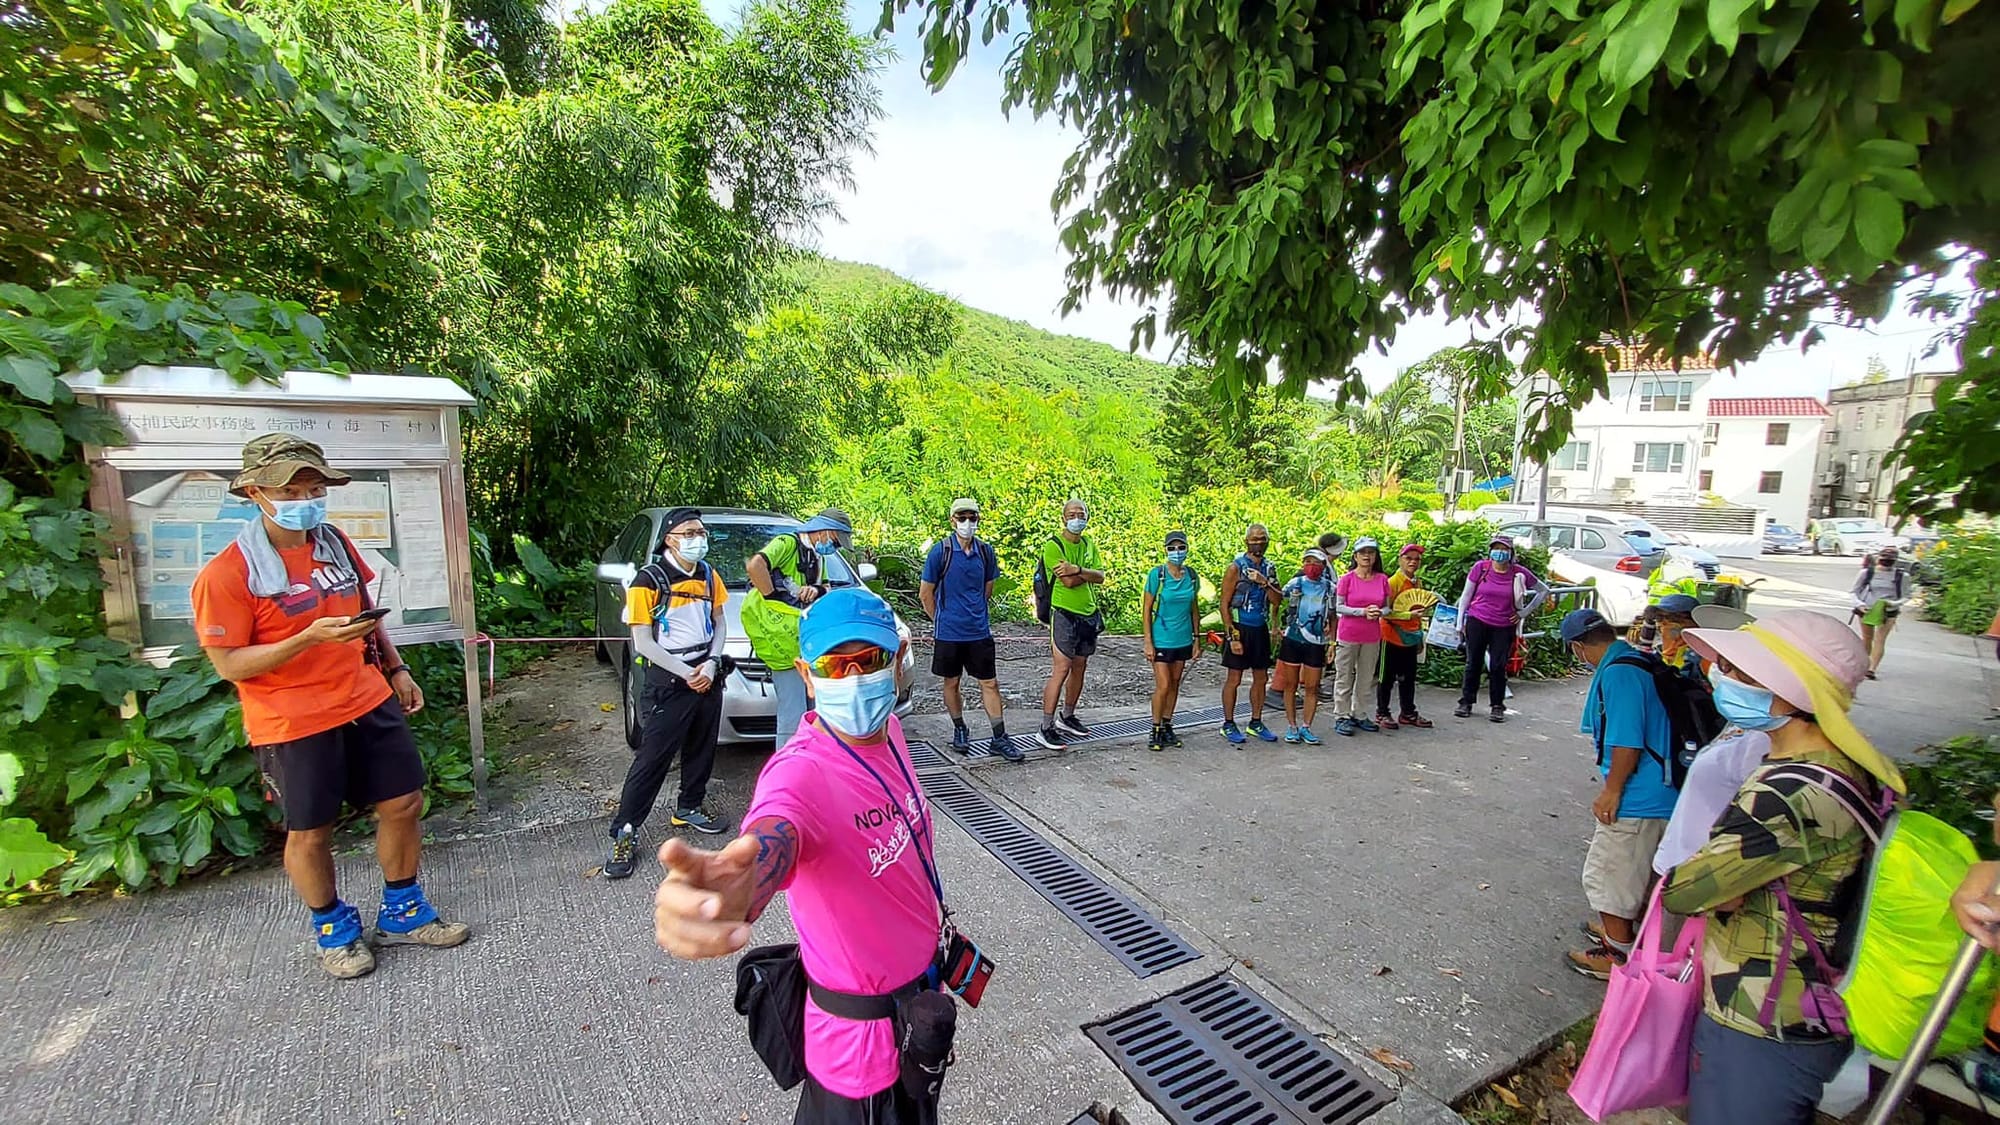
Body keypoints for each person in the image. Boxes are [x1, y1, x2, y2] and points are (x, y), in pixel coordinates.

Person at [651, 587, 962, 1124]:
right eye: (834, 665)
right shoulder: (802, 773)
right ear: (806, 673)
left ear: (896, 660)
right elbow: (773, 835)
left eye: (871, 661)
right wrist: (734, 889)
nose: (855, 678)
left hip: (917, 1016)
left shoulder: (887, 731)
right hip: (859, 1058)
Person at [190, 434, 467, 979]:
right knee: (311, 830)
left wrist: (396, 667)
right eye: (293, 488)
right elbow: (230, 665)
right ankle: (333, 929)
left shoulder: (334, 542)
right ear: (255, 492)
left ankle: (404, 910)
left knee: (404, 803)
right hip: (292, 719)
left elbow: (366, 611)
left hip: (366, 697)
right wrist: (306, 639)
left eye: (315, 487)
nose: (308, 498)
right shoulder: (226, 574)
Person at [1662, 610, 1905, 1125]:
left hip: (1762, 1016)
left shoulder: (1787, 794)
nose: (1721, 678)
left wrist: (1713, 881)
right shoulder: (1843, 767)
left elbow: (1685, 890)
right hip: (1800, 1004)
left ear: (1793, 694)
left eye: (1744, 674)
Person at [606, 508, 732, 880]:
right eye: (691, 532)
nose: (699, 539)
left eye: (701, 532)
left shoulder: (709, 575)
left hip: (705, 673)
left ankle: (690, 806)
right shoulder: (649, 580)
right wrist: (687, 672)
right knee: (653, 759)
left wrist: (710, 664)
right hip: (669, 678)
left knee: (702, 746)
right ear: (671, 539)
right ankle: (625, 830)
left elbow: (719, 622)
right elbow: (642, 642)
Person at [1560, 608, 1679, 979]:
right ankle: (1623, 932)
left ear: (1578, 648)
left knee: (1610, 875)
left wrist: (1612, 792)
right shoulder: (1633, 659)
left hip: (1641, 795)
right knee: (1637, 872)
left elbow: (1627, 741)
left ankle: (1617, 955)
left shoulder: (1619, 674)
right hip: (1662, 789)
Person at [919, 499, 1019, 761]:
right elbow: (925, 593)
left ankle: (999, 737)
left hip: (978, 631)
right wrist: (941, 620)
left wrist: (974, 613)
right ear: (952, 520)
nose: (967, 523)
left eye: (972, 518)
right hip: (949, 633)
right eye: (962, 518)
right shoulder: (940, 552)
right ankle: (959, 728)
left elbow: (987, 588)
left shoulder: (985, 552)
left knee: (990, 683)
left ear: (978, 520)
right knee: (951, 682)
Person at [746, 508, 854, 743]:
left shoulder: (816, 556)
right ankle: (787, 769)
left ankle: (809, 762)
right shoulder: (786, 543)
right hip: (783, 644)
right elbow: (755, 566)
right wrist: (775, 598)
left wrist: (814, 590)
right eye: (836, 541)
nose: (835, 548)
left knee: (813, 711)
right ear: (824, 531)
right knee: (792, 713)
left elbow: (825, 587)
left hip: (804, 640)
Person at [1454, 534, 1548, 722]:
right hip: (1477, 620)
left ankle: (1497, 705)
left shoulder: (1518, 573)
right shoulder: (1481, 568)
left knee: (1498, 665)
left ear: (1511, 553)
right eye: (1496, 549)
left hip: (1504, 625)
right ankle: (1466, 702)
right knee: (1473, 662)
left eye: (1504, 549)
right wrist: (1459, 622)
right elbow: (1466, 596)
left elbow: (1543, 590)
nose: (1499, 553)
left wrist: (1523, 613)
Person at [1037, 499, 1107, 750]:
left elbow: (1101, 576)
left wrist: (1077, 568)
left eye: (1082, 514)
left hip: (1088, 612)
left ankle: (1067, 715)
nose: (1077, 518)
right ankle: (1045, 726)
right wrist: (1086, 574)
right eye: (1072, 514)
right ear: (1063, 518)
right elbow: (1066, 582)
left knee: (1080, 666)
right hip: (1064, 613)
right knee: (1062, 667)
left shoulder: (1089, 543)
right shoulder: (1053, 546)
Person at [1218, 524, 1281, 744]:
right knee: (1234, 678)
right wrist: (1232, 636)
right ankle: (1228, 723)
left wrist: (1264, 583)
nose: (1259, 543)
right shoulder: (1235, 568)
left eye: (1263, 539)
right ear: (1247, 541)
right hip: (1239, 625)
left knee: (1261, 678)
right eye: (1255, 539)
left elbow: (1277, 600)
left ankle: (1256, 721)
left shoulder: (1269, 568)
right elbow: (1224, 604)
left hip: (1259, 627)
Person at [1142, 531, 1202, 752]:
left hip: (1183, 638)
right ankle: (1155, 728)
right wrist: (1148, 641)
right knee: (1163, 684)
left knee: (1175, 683)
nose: (1177, 552)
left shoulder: (1192, 576)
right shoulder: (1157, 575)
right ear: (1165, 550)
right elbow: (1147, 609)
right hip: (1161, 638)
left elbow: (1194, 608)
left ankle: (1168, 724)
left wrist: (1197, 639)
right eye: (1172, 548)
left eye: (1181, 547)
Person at [1330, 538, 1391, 737]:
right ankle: (1342, 715)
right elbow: (1338, 607)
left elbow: (1387, 607)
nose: (1367, 556)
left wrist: (1379, 612)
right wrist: (1361, 612)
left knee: (1366, 677)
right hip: (1348, 634)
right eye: (1362, 552)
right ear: (1355, 556)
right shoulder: (1347, 579)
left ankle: (1360, 713)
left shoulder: (1382, 579)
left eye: (1371, 552)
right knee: (1344, 676)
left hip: (1372, 635)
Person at [1274, 547, 1333, 744]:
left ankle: (1307, 726)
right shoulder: (1295, 583)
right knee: (1290, 685)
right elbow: (1276, 599)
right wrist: (1275, 626)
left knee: (1312, 686)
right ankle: (1292, 726)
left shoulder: (1329, 588)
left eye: (1316, 563)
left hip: (1316, 642)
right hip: (1293, 639)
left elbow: (1334, 615)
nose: (1312, 567)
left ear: (1324, 566)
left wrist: (1333, 642)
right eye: (1308, 562)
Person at [1376, 543, 1435, 730]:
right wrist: (1407, 616)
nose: (1413, 562)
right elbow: (1385, 612)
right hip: (1391, 636)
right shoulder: (1392, 583)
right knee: (1386, 677)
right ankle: (1382, 712)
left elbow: (1419, 610)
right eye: (1408, 558)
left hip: (1410, 637)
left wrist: (1419, 636)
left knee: (1408, 677)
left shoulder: (1417, 583)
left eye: (1417, 559)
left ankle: (1408, 712)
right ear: (1400, 559)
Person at [1850, 545, 1907, 679]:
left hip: (1889, 610)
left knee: (1880, 639)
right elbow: (1854, 591)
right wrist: (1860, 605)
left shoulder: (1901, 576)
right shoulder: (1867, 573)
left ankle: (1872, 669)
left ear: (1895, 561)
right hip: (1867, 608)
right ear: (1878, 558)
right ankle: (1864, 664)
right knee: (1867, 638)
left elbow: (1906, 595)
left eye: (1890, 560)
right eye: (1884, 559)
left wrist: (1893, 604)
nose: (1886, 563)